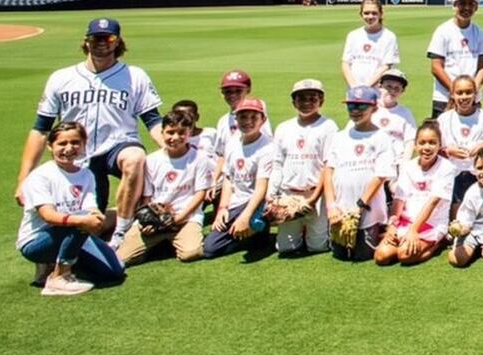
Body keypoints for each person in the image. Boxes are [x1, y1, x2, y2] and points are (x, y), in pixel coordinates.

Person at [18, 16, 163, 247]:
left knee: (135, 159)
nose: (102, 42)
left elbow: (153, 121)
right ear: (86, 41)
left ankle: (121, 233)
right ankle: (123, 215)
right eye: (96, 38)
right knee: (90, 225)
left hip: (119, 144)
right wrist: (24, 179)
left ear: (118, 42)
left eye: (109, 38)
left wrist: (175, 149)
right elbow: (40, 129)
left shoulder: (135, 76)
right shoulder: (61, 78)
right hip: (77, 154)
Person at [17, 121, 125, 295]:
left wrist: (97, 217)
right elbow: (48, 215)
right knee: (80, 223)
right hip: (37, 241)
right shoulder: (41, 176)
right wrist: (84, 220)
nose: (69, 148)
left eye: (75, 142)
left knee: (115, 271)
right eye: (62, 143)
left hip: (73, 233)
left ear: (83, 144)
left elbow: (90, 206)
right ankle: (58, 278)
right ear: (50, 146)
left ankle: (57, 264)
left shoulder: (86, 174)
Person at [118, 109, 213, 266]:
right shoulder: (152, 160)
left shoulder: (199, 158)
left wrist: (180, 218)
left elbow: (200, 193)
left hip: (186, 218)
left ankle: (171, 241)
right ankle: (159, 243)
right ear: (162, 133)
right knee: (122, 258)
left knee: (191, 253)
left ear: (190, 133)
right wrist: (148, 221)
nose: (175, 137)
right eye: (170, 132)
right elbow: (148, 197)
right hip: (158, 219)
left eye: (182, 132)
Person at [322, 86, 397, 263]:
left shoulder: (381, 137)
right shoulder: (339, 137)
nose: (355, 111)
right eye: (351, 106)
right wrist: (332, 205)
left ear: (374, 108)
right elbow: (328, 171)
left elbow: (381, 175)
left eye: (362, 106)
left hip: (366, 211)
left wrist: (360, 205)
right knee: (340, 254)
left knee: (363, 255)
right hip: (340, 209)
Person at [267, 79, 337, 257]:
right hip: (289, 194)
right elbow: (277, 164)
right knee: (286, 248)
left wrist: (312, 200)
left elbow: (327, 166)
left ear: (321, 101)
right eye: (301, 98)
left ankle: (313, 228)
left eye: (312, 98)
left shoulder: (328, 127)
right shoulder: (284, 128)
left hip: (315, 194)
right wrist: (272, 196)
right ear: (293, 102)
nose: (307, 103)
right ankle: (301, 228)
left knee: (318, 247)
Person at [202, 96, 274, 259]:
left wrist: (246, 216)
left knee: (212, 248)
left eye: (253, 117)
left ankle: (256, 228)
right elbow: (228, 179)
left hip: (255, 204)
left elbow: (261, 187)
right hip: (236, 202)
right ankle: (251, 235)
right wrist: (222, 209)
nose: (247, 121)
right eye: (243, 116)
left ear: (263, 120)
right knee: (209, 249)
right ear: (236, 119)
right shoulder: (233, 142)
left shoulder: (268, 147)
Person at [375, 122, 452, 266]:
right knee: (381, 256)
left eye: (432, 143)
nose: (427, 147)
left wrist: (413, 230)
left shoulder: (447, 167)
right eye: (422, 143)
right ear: (416, 146)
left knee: (404, 255)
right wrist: (392, 225)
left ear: (439, 145)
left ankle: (437, 244)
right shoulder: (408, 166)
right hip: (406, 221)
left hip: (431, 223)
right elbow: (399, 198)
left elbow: (433, 201)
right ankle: (406, 242)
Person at [439, 75, 483, 210]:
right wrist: (447, 151)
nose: (464, 97)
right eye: (459, 93)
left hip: (480, 175)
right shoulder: (444, 119)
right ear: (452, 95)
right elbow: (433, 149)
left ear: (475, 94)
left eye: (468, 92)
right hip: (451, 174)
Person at [427, 0, 483, 117]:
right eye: (462, 3)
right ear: (454, 6)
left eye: (471, 4)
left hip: (472, 99)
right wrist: (456, 92)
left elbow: (482, 67)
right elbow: (436, 67)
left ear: (476, 8)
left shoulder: (480, 33)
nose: (466, 8)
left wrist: (473, 91)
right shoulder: (443, 31)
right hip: (445, 97)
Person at [340, 0, 399, 89]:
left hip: (378, 93)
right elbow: (346, 63)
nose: (370, 16)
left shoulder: (389, 37)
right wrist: (353, 87)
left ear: (381, 14)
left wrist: (366, 87)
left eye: (374, 13)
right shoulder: (353, 35)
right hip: (354, 92)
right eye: (366, 13)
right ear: (361, 14)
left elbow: (386, 66)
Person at [373, 68, 418, 152]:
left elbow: (410, 141)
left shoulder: (405, 113)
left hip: (397, 160)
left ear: (402, 91)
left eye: (397, 88)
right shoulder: (369, 110)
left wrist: (404, 162)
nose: (392, 91)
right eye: (388, 87)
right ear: (380, 86)